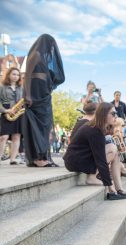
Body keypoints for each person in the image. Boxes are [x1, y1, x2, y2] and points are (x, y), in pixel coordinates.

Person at [63, 102, 126, 200]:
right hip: (75, 161)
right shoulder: (94, 130)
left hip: (84, 158)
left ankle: (120, 189)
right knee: (112, 149)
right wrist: (110, 187)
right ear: (103, 114)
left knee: (114, 150)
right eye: (113, 114)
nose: (116, 116)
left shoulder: (98, 128)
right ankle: (93, 177)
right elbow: (100, 159)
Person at [22, 34, 65, 167]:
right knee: (37, 126)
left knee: (45, 125)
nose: (53, 48)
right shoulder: (36, 54)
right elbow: (27, 75)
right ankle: (38, 158)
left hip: (44, 93)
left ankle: (43, 156)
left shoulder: (45, 59)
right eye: (51, 44)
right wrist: (27, 94)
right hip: (35, 93)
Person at [0, 67, 23, 165]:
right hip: (6, 112)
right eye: (13, 74)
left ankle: (12, 159)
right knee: (3, 137)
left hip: (18, 113)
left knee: (16, 136)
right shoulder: (2, 87)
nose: (16, 76)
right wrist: (5, 110)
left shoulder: (21, 88)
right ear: (9, 74)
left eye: (17, 75)